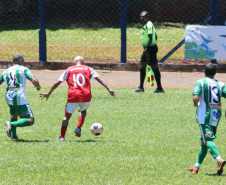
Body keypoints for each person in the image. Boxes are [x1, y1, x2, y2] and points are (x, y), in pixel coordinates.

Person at [40, 56, 116, 141]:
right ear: (83, 62)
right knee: (83, 111)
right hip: (86, 95)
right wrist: (109, 88)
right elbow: (99, 79)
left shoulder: (69, 69)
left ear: (74, 63)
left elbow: (58, 82)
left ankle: (62, 137)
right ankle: (78, 127)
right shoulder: (88, 69)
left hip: (73, 95)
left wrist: (49, 93)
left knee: (67, 117)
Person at [189, 63, 226, 175]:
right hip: (216, 114)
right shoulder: (221, 84)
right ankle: (196, 167)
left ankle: (219, 159)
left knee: (208, 139)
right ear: (215, 73)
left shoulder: (200, 82)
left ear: (204, 71)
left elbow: (195, 96)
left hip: (205, 115)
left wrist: (195, 103)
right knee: (204, 141)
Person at [0, 54, 41, 139]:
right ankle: (11, 124)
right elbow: (34, 80)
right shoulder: (24, 69)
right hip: (18, 95)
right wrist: (38, 86)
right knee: (30, 120)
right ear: (20, 60)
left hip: (9, 95)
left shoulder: (5, 71)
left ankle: (13, 136)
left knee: (14, 115)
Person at [133, 11, 164, 93]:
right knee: (142, 66)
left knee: (154, 67)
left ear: (148, 17)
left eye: (143, 17)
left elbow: (150, 37)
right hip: (149, 48)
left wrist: (147, 49)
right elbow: (156, 36)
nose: (141, 18)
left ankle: (160, 88)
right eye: (141, 17)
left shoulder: (149, 24)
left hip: (150, 48)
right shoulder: (146, 25)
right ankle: (141, 87)